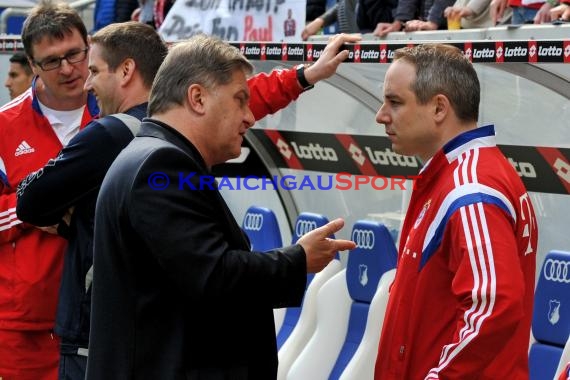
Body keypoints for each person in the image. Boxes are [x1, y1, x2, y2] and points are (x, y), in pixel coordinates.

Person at [16, 21, 360, 379]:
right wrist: (297, 258)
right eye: (240, 101)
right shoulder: (161, 163)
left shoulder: (154, 153)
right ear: (197, 99)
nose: (247, 116)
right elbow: (214, 276)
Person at [373, 44, 537, 379]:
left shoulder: (470, 187)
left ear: (438, 108)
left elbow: (494, 305)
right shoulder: (459, 175)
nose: (381, 115)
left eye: (395, 101)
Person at [0, 2, 98, 379]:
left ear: (89, 45)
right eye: (52, 61)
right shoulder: (6, 126)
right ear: (33, 65)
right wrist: (33, 207)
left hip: (104, 314)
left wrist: (299, 78)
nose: (69, 69)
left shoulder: (115, 113)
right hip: (28, 325)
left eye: (75, 54)